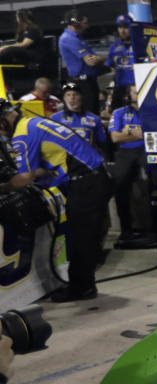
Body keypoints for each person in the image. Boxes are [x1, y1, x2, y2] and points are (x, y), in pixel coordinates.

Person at [0, 99, 111, 301]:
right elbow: (43, 166)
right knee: (81, 236)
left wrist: (5, 186)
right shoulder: (32, 122)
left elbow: (24, 178)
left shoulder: (22, 136)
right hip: (94, 177)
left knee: (80, 238)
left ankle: (82, 289)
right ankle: (82, 285)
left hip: (86, 182)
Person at [109, 85, 150, 249]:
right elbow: (115, 137)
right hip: (126, 153)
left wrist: (129, 132)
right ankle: (126, 230)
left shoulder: (152, 109)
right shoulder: (119, 112)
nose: (138, 93)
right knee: (119, 187)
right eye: (135, 91)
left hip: (148, 150)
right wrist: (137, 133)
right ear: (129, 95)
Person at [58, 10, 105, 116]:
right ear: (76, 23)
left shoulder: (78, 38)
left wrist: (99, 58)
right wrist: (102, 59)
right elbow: (91, 61)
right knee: (88, 115)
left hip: (88, 82)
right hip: (81, 84)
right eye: (85, 23)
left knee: (93, 113)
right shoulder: (68, 39)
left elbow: (95, 57)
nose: (86, 26)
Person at [51, 82, 108, 151]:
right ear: (64, 98)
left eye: (75, 94)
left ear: (81, 97)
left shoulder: (95, 119)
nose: (72, 98)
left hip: (87, 158)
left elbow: (102, 143)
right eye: (68, 95)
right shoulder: (55, 118)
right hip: (63, 159)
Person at [106, 15, 136, 112]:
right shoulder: (114, 46)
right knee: (115, 112)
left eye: (125, 27)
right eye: (120, 27)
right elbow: (110, 66)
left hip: (136, 87)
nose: (122, 30)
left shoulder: (139, 44)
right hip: (120, 87)